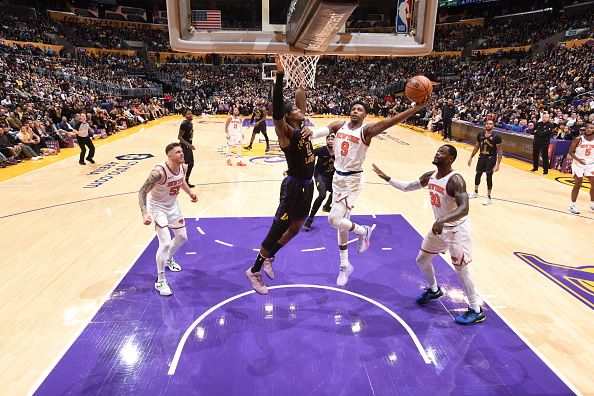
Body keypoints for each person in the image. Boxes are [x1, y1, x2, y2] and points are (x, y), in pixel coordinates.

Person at [314, 97, 429, 286]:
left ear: (365, 115)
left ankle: (363, 231)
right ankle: (344, 265)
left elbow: (389, 122)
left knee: (333, 220)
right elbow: (314, 133)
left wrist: (415, 108)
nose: (355, 111)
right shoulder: (338, 125)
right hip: (337, 178)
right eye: (353, 108)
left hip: (352, 180)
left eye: (360, 109)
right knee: (343, 222)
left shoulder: (366, 131)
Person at [372, 145, 485, 325]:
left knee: (462, 270)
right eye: (437, 150)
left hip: (457, 230)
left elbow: (465, 208)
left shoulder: (455, 180)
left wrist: (442, 220)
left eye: (442, 152)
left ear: (450, 159)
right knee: (422, 259)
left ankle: (475, 309)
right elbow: (407, 187)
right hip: (439, 228)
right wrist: (387, 178)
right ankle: (434, 290)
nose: (437, 153)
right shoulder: (430, 176)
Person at [245, 55, 314, 295]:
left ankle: (269, 256)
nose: (298, 109)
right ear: (287, 116)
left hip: (308, 185)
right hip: (294, 186)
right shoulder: (285, 132)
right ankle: (254, 270)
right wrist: (281, 75)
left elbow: (301, 96)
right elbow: (276, 110)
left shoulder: (302, 125)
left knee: (295, 228)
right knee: (277, 229)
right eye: (293, 109)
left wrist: (301, 76)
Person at [138, 142, 197, 296]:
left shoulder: (183, 167)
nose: (182, 154)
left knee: (182, 237)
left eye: (181, 151)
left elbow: (181, 180)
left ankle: (169, 259)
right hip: (158, 207)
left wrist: (190, 192)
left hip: (173, 206)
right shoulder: (158, 172)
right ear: (170, 156)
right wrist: (145, 213)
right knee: (164, 242)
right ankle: (160, 281)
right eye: (178, 152)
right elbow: (142, 192)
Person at [304, 133, 335, 231]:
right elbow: (308, 155)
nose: (330, 141)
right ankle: (310, 218)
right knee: (322, 195)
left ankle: (326, 206)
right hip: (320, 175)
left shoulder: (339, 151)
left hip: (332, 177)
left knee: (336, 191)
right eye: (328, 139)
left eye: (332, 139)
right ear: (326, 141)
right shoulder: (321, 150)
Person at [467, 119, 503, 206]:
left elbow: (500, 150)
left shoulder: (497, 136)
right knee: (478, 174)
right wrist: (471, 157)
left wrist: (498, 164)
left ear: (493, 126)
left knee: (489, 177)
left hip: (491, 158)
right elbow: (477, 146)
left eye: (491, 124)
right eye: (487, 124)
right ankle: (475, 192)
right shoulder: (480, 134)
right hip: (481, 157)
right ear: (485, 125)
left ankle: (489, 197)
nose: (489, 125)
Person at [568, 123, 594, 214]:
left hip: (590, 164)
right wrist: (579, 160)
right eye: (587, 128)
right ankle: (572, 205)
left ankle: (592, 204)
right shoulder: (578, 139)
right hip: (578, 164)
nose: (589, 129)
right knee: (578, 184)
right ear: (585, 129)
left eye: (591, 128)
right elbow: (570, 152)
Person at [178, 110, 196, 187]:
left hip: (188, 146)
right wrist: (189, 145)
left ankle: (186, 181)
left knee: (191, 163)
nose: (190, 115)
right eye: (188, 114)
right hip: (185, 146)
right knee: (183, 165)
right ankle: (179, 181)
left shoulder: (190, 123)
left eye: (191, 113)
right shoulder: (184, 124)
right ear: (185, 116)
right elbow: (179, 137)